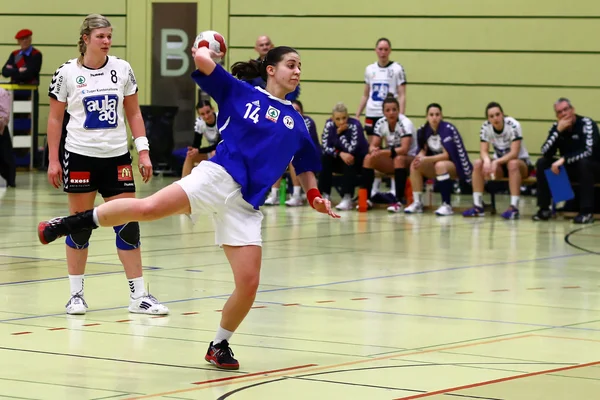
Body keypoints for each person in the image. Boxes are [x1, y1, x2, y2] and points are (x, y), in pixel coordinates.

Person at [38, 44, 339, 370]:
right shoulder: (242, 93)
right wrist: (208, 44)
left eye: (300, 67)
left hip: (245, 204)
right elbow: (201, 61)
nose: (296, 71)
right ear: (270, 69)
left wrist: (314, 197)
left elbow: (306, 167)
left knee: (249, 284)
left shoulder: (299, 122)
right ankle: (68, 224)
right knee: (148, 208)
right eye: (291, 65)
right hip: (216, 177)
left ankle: (219, 345)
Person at [44, 14, 169, 315]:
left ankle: (138, 296)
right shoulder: (66, 74)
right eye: (101, 36)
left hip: (116, 158)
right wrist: (52, 160)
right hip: (80, 156)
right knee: (80, 224)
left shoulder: (122, 69)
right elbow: (55, 119)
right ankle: (76, 295)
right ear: (86, 39)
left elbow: (134, 114)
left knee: (128, 224)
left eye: (110, 36)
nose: (107, 41)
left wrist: (143, 151)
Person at [533, 98, 600, 224]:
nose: (563, 114)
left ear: (572, 110)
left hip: (593, 168)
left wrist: (564, 159)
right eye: (559, 112)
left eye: (566, 109)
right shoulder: (556, 127)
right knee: (543, 163)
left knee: (584, 163)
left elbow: (589, 151)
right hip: (571, 168)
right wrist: (557, 132)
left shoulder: (587, 123)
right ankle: (544, 209)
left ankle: (586, 212)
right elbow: (545, 151)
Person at [462, 102, 532, 220]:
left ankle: (514, 208)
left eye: (497, 114)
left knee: (512, 164)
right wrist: (487, 161)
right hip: (500, 164)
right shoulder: (485, 127)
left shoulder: (513, 125)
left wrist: (495, 162)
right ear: (488, 118)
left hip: (521, 164)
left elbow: (514, 153)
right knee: (478, 163)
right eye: (491, 116)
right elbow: (483, 151)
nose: (495, 118)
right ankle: (478, 206)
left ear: (502, 114)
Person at [355, 37, 406, 193]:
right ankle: (375, 185)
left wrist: (401, 116)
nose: (383, 52)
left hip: (389, 114)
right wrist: (358, 114)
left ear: (390, 51)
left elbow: (402, 94)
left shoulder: (397, 69)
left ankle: (393, 185)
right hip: (372, 113)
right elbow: (365, 94)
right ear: (375, 50)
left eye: (386, 49)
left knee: (391, 148)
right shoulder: (370, 69)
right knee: (374, 150)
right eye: (380, 49)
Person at [404, 103, 472, 216]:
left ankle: (447, 205)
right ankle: (417, 203)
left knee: (440, 165)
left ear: (441, 116)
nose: (434, 117)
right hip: (435, 164)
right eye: (431, 115)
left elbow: (446, 155)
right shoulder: (423, 130)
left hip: (454, 165)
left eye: (437, 114)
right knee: (414, 165)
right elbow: (423, 150)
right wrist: (419, 158)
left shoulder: (447, 129)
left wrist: (426, 159)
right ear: (426, 116)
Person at [361, 94, 418, 212]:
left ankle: (398, 200)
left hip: (410, 159)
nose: (391, 112)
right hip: (391, 157)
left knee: (399, 159)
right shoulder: (380, 123)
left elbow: (404, 149)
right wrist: (373, 150)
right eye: (388, 110)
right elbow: (373, 144)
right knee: (368, 158)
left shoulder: (405, 123)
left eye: (394, 109)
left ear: (398, 110)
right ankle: (366, 199)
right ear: (383, 112)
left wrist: (381, 152)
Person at [264, 99, 319, 206]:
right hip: (289, 152)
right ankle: (274, 194)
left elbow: (306, 143)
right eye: (292, 110)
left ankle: (296, 195)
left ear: (302, 113)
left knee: (293, 158)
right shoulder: (284, 121)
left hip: (309, 155)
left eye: (297, 110)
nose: (295, 112)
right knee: (278, 157)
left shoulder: (307, 122)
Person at [318, 102, 368, 210]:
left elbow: (352, 149)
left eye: (344, 118)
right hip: (340, 157)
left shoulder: (355, 126)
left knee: (349, 159)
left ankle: (347, 197)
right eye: (338, 119)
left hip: (358, 161)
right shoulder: (329, 125)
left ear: (348, 116)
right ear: (332, 118)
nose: (341, 122)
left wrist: (339, 135)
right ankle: (325, 194)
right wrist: (340, 153)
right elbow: (325, 146)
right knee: (325, 158)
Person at [181, 100, 220, 178]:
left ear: (213, 109)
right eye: (202, 114)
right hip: (211, 151)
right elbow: (196, 144)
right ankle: (184, 183)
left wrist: (198, 150)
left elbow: (219, 144)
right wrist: (193, 150)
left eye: (208, 112)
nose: (206, 116)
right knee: (190, 155)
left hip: (224, 151)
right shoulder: (199, 123)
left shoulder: (221, 119)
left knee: (214, 153)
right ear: (199, 115)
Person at [0, 87, 16, 187]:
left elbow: (5, 115)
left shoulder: (2, 93)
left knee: (5, 157)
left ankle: (10, 181)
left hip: (0, 129)